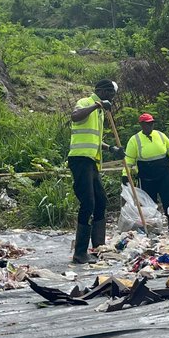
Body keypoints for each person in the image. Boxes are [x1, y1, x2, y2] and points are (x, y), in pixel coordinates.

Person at [68, 78, 117, 263]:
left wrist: (110, 148)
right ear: (103, 92)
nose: (112, 98)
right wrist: (96, 105)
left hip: (92, 162)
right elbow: (75, 116)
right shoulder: (86, 102)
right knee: (88, 202)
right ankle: (80, 253)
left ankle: (98, 248)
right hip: (80, 159)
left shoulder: (101, 112)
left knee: (101, 202)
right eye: (111, 94)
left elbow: (95, 138)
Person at [124, 113, 169, 225]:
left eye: (151, 123)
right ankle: (153, 226)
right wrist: (125, 174)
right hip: (146, 178)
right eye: (147, 124)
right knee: (149, 204)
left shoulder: (160, 135)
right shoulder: (134, 140)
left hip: (164, 176)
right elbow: (128, 160)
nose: (150, 126)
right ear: (142, 125)